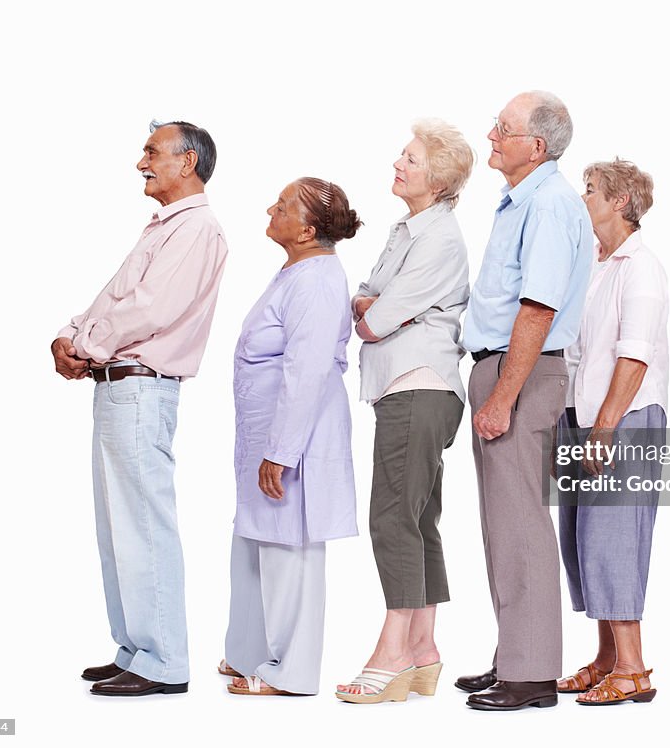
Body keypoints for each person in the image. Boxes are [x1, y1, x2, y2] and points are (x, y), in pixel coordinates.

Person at [51, 119, 227, 697]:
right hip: (121, 385)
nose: (141, 162)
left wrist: (85, 344)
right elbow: (114, 298)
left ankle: (161, 661)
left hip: (141, 386)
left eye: (152, 152)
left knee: (142, 524)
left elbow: (150, 309)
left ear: (188, 162)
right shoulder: (162, 229)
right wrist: (70, 334)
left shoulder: (196, 229)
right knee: (118, 527)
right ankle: (134, 648)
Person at [456, 91, 591, 711]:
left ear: (535, 146)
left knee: (521, 526)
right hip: (504, 370)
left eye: (502, 129)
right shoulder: (522, 202)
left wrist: (504, 394)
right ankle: (514, 655)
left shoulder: (552, 203)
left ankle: (532, 673)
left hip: (522, 375)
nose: (490, 135)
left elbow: (538, 306)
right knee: (502, 526)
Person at [335, 120, 473, 704]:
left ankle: (391, 652)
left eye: (411, 158)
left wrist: (381, 311)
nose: (399, 162)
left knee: (392, 516)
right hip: (409, 385)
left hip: (419, 384)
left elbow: (371, 320)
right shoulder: (406, 230)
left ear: (436, 178)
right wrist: (379, 308)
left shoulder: (439, 237)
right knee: (417, 520)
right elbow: (364, 299)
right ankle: (422, 649)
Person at [221, 177, 361, 697]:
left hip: (294, 436)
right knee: (255, 544)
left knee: (289, 548)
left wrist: (280, 452)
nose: (270, 209)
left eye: (281, 206)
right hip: (267, 431)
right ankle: (249, 653)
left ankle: (292, 671)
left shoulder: (318, 280)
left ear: (306, 230)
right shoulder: (296, 271)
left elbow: (306, 371)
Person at [556, 159, 668, 706]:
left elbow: (635, 354)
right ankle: (605, 659)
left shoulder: (639, 266)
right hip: (583, 419)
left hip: (623, 420)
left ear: (621, 201)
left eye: (592, 189)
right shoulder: (594, 264)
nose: (584, 197)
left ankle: (633, 668)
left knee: (616, 539)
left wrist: (605, 428)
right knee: (583, 542)